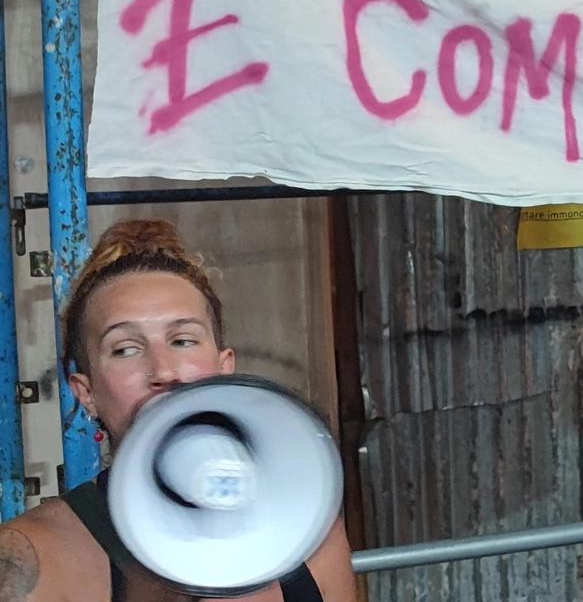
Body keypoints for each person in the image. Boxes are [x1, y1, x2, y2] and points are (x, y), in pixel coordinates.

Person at [0, 219, 355, 602]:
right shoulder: (33, 555)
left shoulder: (307, 528)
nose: (164, 371)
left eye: (183, 340)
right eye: (125, 349)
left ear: (224, 367)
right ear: (86, 394)